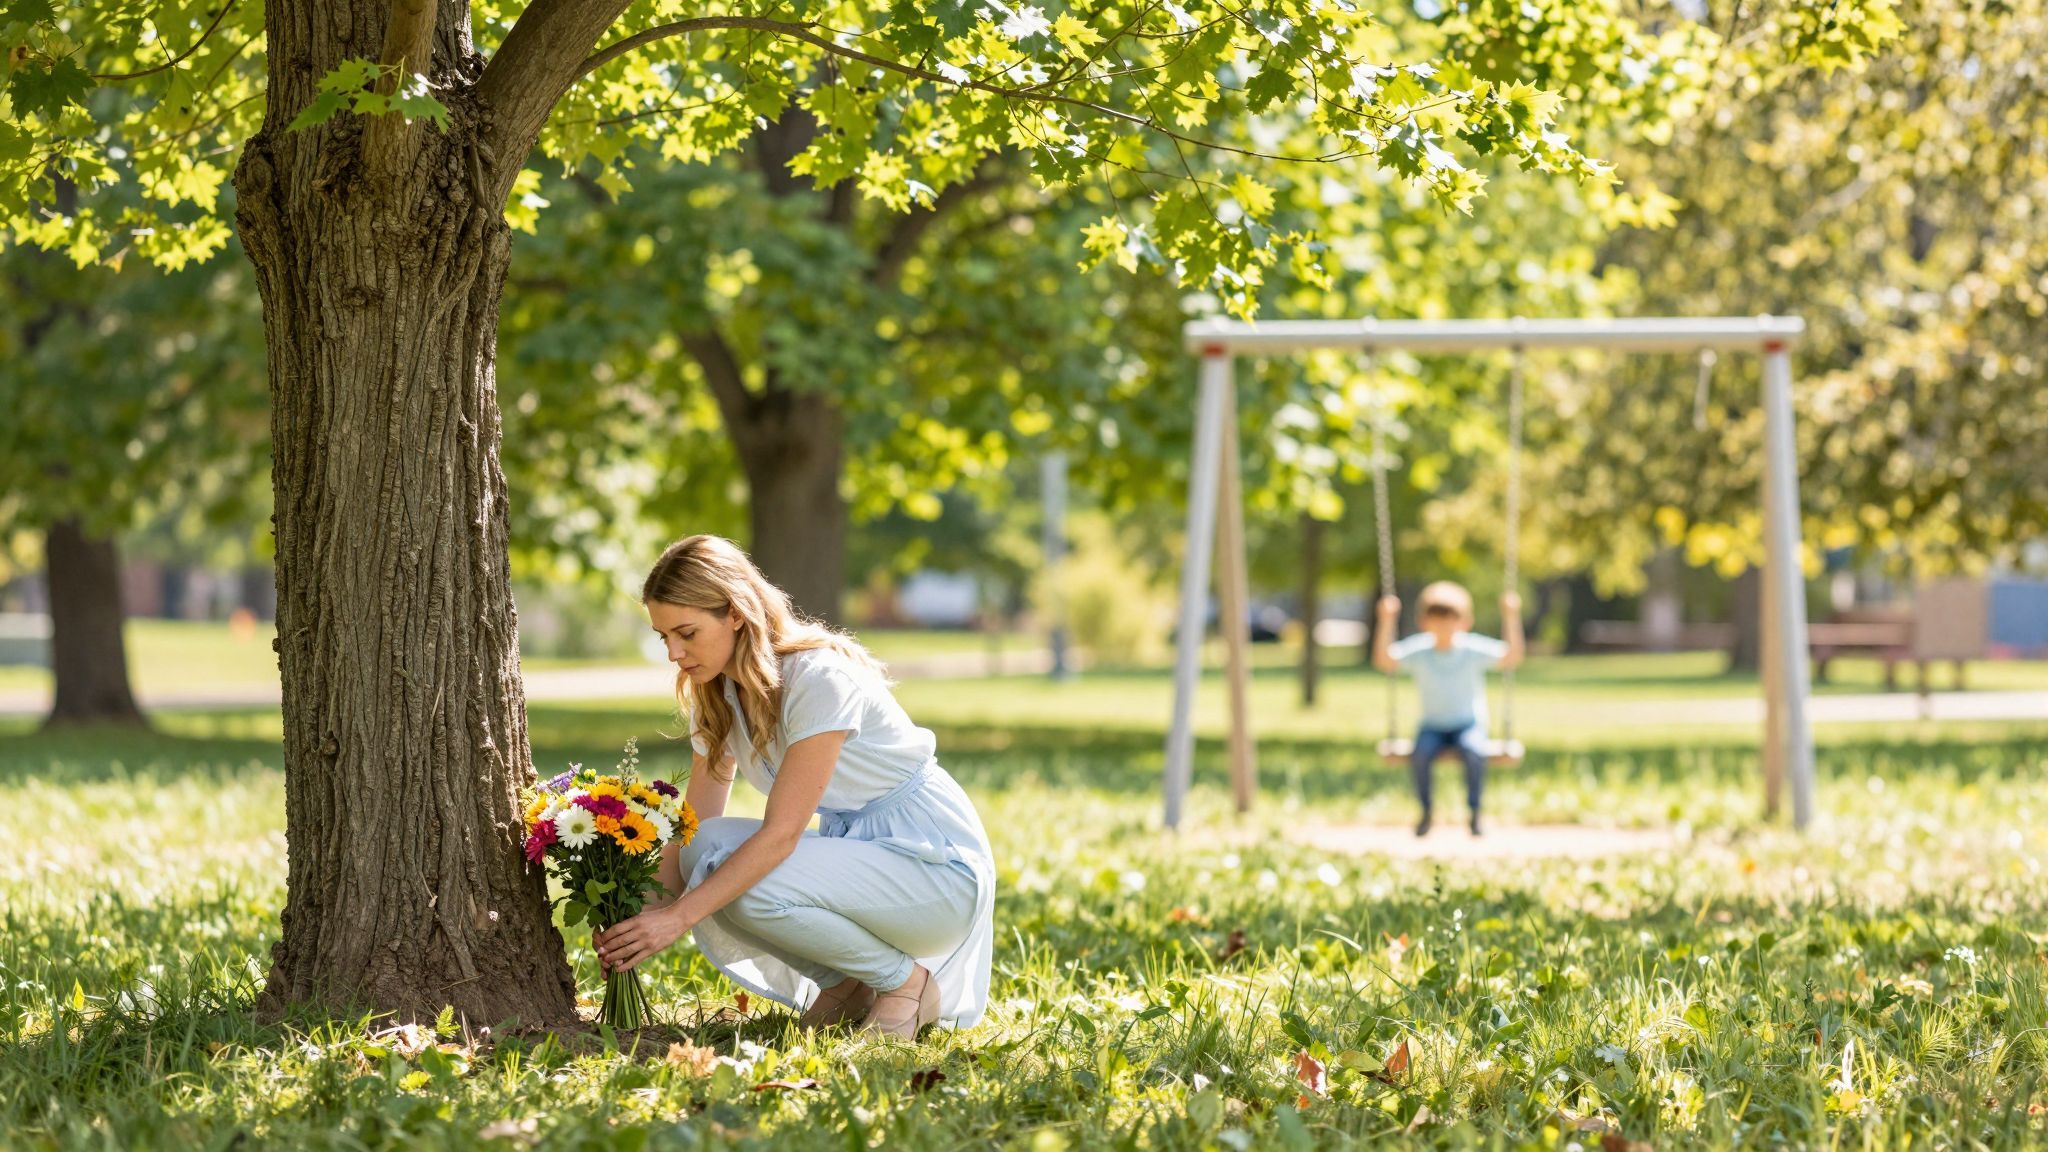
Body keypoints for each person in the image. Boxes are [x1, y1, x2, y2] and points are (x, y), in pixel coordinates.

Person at [591, 535, 995, 1038]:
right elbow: (693, 827)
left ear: (736, 613)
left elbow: (781, 835)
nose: (674, 652)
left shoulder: (818, 678)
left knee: (742, 882)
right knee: (707, 852)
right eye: (663, 636)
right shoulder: (717, 692)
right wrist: (638, 919)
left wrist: (677, 920)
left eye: (687, 633)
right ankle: (848, 986)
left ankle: (907, 984)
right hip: (859, 855)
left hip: (933, 866)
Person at [1373, 581, 1524, 837]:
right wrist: (1386, 620)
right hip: (1432, 725)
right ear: (1424, 621)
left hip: (1468, 724)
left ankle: (1475, 812)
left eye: (1451, 619)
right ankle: (1426, 811)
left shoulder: (1471, 649)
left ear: (1465, 621)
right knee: (1420, 754)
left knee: (1474, 751)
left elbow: (1512, 657)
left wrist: (1511, 616)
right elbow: (1385, 660)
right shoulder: (1420, 650)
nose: (1444, 626)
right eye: (1437, 619)